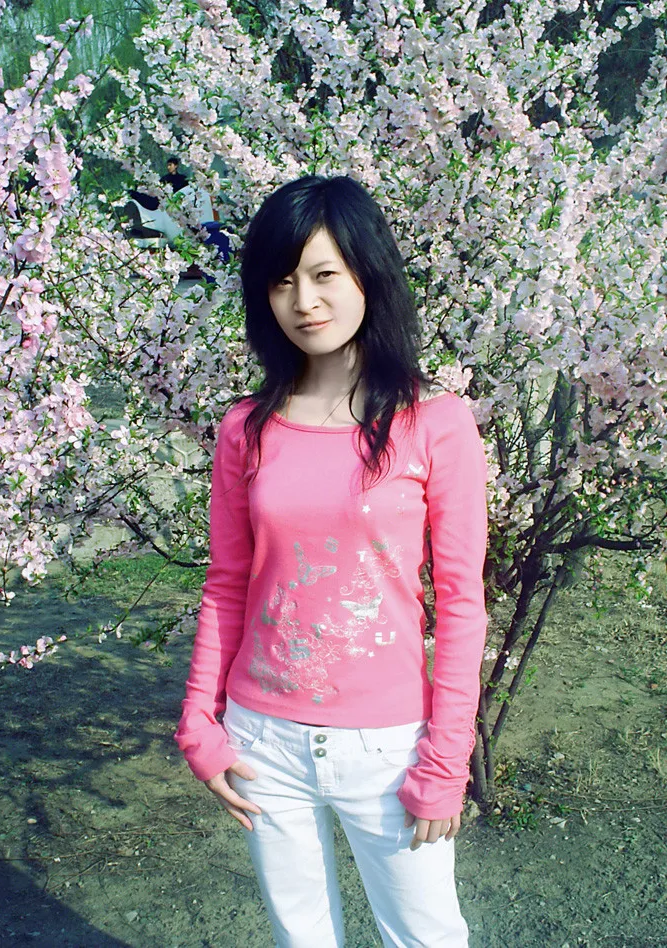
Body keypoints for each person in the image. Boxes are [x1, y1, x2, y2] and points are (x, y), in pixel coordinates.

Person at [174, 175, 488, 947]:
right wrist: (198, 724)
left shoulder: (434, 423)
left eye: (323, 275)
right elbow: (226, 586)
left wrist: (446, 760)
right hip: (262, 740)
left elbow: (460, 602)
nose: (304, 301)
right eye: (282, 281)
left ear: (366, 275)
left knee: (425, 935)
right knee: (301, 937)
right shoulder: (246, 428)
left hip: (389, 747)